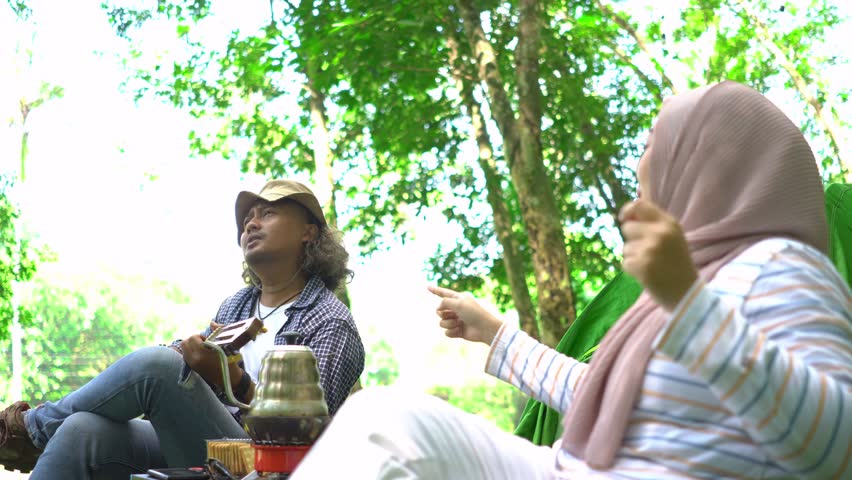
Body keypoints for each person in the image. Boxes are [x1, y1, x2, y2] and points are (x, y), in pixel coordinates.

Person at [289, 81, 852, 479]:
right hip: (570, 466)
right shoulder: (692, 284)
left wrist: (691, 308)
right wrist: (497, 335)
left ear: (710, 162)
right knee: (384, 420)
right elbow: (604, 399)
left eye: (658, 143)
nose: (641, 163)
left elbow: (835, 447)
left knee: (383, 427)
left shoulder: (781, 264)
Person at [0, 179, 366, 479]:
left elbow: (308, 439)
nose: (250, 225)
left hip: (264, 469)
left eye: (267, 213)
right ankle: (37, 431)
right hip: (213, 451)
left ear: (308, 232)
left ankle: (28, 430)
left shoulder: (330, 320)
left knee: (160, 367)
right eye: (247, 219)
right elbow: (179, 364)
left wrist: (232, 382)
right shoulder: (237, 304)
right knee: (81, 429)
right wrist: (186, 354)